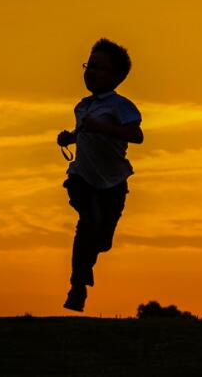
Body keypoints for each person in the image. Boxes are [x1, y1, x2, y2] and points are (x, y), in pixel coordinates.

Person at [57, 38, 144, 312]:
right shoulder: (82, 107)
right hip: (82, 177)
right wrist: (68, 138)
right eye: (89, 66)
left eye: (99, 68)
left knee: (102, 239)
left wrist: (103, 128)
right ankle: (77, 288)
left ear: (117, 77)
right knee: (87, 222)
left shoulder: (122, 106)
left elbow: (136, 135)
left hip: (114, 182)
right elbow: (84, 133)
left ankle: (87, 263)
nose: (91, 72)